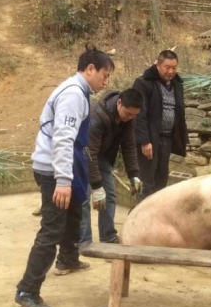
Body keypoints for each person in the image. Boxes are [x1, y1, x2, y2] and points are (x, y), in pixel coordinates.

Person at [14, 46, 114, 307]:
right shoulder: (72, 94)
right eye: (104, 75)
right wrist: (62, 181)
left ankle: (68, 259)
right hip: (53, 170)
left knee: (73, 214)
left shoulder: (79, 91)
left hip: (62, 167)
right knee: (52, 230)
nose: (106, 82)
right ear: (89, 69)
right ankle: (27, 291)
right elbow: (63, 139)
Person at [80, 88, 144, 246]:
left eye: (134, 115)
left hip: (103, 157)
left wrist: (133, 174)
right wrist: (96, 186)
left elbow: (128, 146)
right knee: (83, 198)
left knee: (110, 195)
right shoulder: (98, 115)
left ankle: (108, 236)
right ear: (119, 103)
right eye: (128, 114)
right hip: (83, 155)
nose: (130, 118)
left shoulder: (129, 118)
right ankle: (83, 240)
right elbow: (90, 152)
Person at [132, 50, 188, 198]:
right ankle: (142, 216)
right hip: (150, 139)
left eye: (174, 67)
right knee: (146, 180)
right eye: (167, 67)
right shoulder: (144, 83)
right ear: (157, 65)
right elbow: (140, 113)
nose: (171, 71)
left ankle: (156, 217)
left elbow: (179, 112)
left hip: (167, 138)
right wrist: (145, 141)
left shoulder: (177, 84)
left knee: (161, 180)